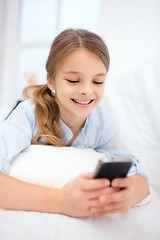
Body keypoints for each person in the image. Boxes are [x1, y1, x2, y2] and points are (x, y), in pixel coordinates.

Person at [0, 29, 150, 218]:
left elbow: (138, 173)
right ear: (51, 81)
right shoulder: (29, 115)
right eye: (73, 80)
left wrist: (128, 195)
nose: (87, 90)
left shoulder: (103, 124)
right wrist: (61, 200)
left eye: (97, 81)